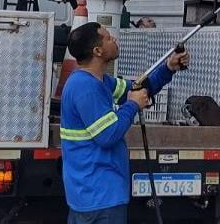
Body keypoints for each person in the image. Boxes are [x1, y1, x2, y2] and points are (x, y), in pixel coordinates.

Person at [60, 23, 189, 223]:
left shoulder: (100, 81)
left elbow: (139, 89)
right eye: (108, 38)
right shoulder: (85, 88)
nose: (114, 40)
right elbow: (108, 135)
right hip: (98, 196)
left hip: (95, 194)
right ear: (98, 51)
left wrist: (168, 68)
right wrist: (132, 105)